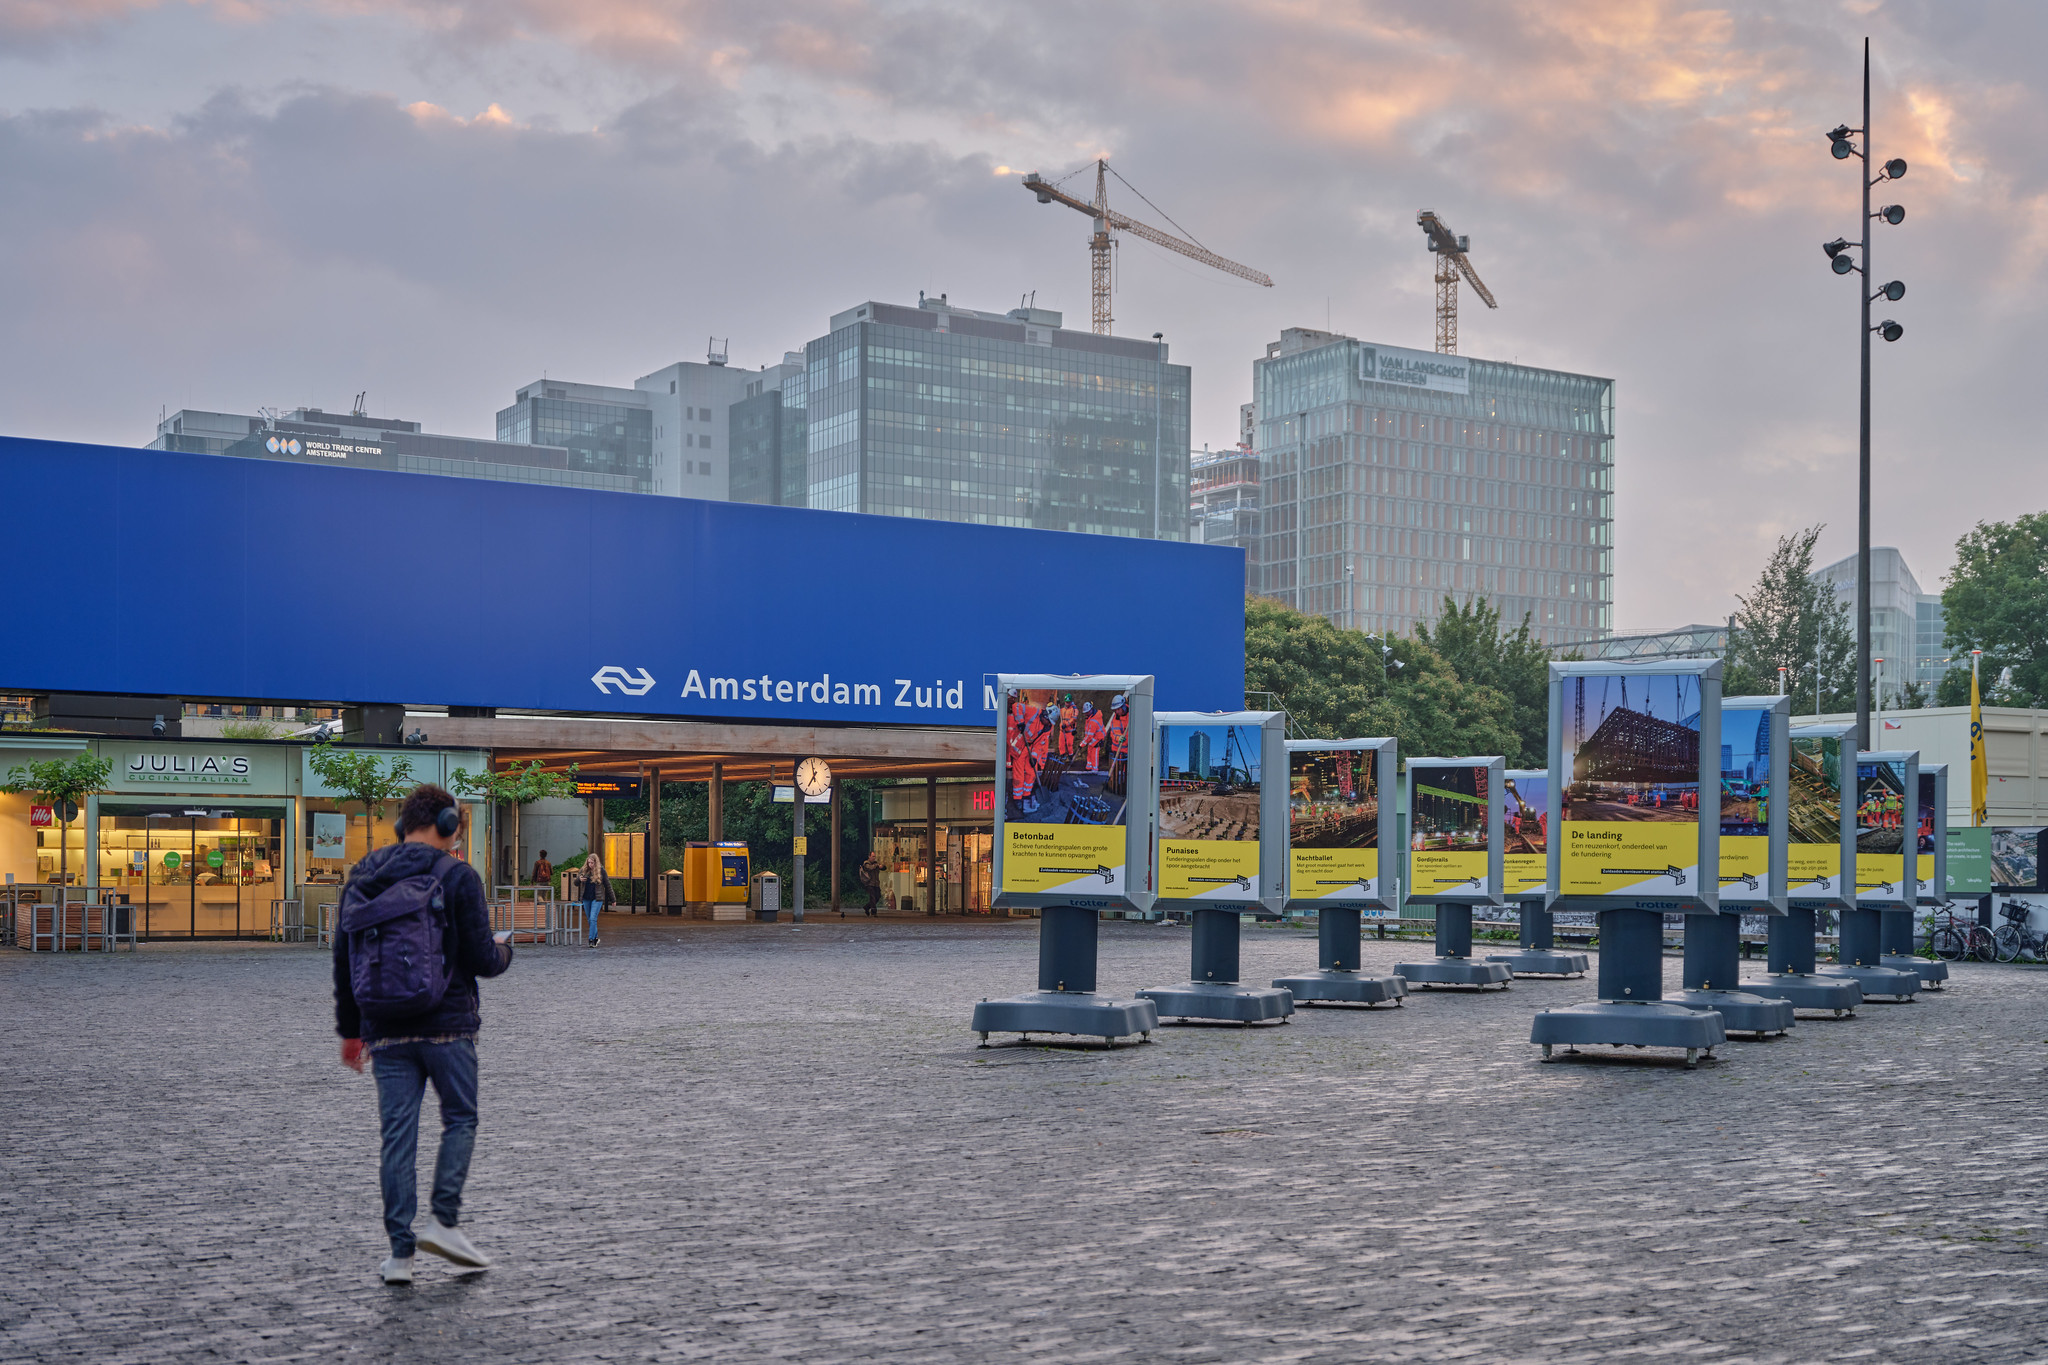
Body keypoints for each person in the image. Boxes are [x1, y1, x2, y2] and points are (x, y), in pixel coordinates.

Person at [334, 784, 511, 1286]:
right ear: (449, 824)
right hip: (448, 1027)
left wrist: (352, 1031)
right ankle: (444, 1222)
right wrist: (504, 951)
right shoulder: (458, 876)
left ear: (401, 825)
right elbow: (481, 959)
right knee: (460, 1119)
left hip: (385, 1031)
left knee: (397, 1137)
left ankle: (399, 1255)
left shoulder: (364, 874)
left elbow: (344, 960)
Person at [578, 852, 613, 946]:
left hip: (597, 899)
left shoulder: (601, 871)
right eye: (589, 863)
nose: (590, 865)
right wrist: (579, 879)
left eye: (592, 863)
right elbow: (575, 882)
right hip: (586, 898)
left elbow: (607, 885)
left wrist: (613, 899)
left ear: (596, 862)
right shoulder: (584, 870)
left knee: (593, 918)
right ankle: (596, 937)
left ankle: (591, 940)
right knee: (590, 920)